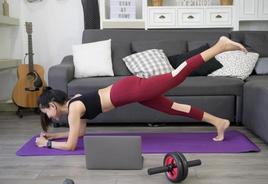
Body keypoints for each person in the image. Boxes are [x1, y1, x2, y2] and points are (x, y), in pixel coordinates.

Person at [36, 36, 247, 151]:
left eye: (46, 111)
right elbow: (78, 134)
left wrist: (48, 144)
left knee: (177, 75)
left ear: (53, 105)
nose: (48, 115)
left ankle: (220, 46)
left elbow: (72, 145)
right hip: (130, 91)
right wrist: (53, 135)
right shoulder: (74, 105)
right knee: (174, 109)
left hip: (129, 89)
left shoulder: (73, 109)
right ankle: (219, 122)